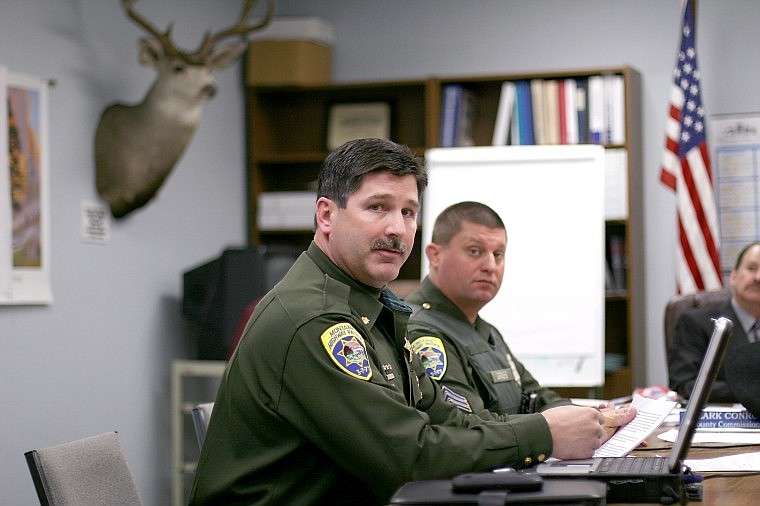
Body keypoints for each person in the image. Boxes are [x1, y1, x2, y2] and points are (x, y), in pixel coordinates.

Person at [189, 138, 635, 505]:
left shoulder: (372, 307)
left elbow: (450, 423)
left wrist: (557, 426)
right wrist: (543, 435)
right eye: (377, 207)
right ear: (326, 216)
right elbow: (408, 456)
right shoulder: (317, 320)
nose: (398, 229)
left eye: (408, 212)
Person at [405, 201, 572, 419]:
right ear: (435, 255)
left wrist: (591, 417)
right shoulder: (421, 330)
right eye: (474, 251)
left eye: (498, 254)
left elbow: (537, 397)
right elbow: (470, 427)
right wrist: (554, 428)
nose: (490, 265)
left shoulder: (486, 331)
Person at [669, 241, 760, 402]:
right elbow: (685, 384)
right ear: (733, 276)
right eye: (751, 268)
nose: (758, 277)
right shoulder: (695, 323)